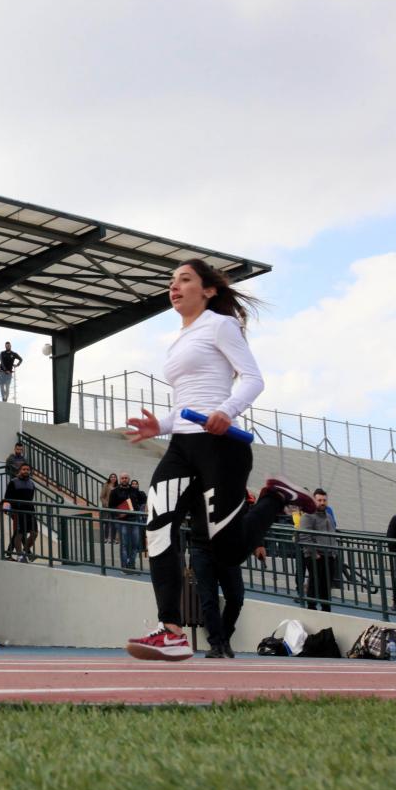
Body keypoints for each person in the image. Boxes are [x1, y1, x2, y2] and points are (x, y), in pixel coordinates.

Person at [123, 258, 315, 661]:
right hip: (182, 445)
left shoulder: (221, 325)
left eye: (185, 280)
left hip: (222, 446)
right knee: (157, 525)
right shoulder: (178, 339)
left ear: (208, 290)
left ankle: (276, 498)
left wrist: (226, 410)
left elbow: (253, 378)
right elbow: (187, 404)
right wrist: (159, 424)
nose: (174, 286)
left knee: (227, 551)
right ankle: (171, 630)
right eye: (171, 280)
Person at [299, 489, 338, 612]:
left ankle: (326, 608)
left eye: (324, 500)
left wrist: (334, 552)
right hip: (316, 555)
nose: (322, 502)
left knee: (326, 584)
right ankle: (311, 608)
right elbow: (304, 536)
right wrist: (314, 553)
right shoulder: (307, 516)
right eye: (319, 500)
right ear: (314, 500)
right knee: (315, 583)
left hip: (330, 555)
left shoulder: (329, 516)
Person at [108, 472, 146, 572]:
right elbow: (110, 506)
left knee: (135, 544)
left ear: (128, 479)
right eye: (122, 478)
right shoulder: (115, 491)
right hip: (122, 521)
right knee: (124, 544)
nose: (124, 479)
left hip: (134, 519)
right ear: (120, 480)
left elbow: (143, 500)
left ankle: (131, 565)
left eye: (126, 478)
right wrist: (119, 513)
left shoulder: (134, 490)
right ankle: (124, 567)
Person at [2, 461, 38, 562]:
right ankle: (19, 555)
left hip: (30, 511)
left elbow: (30, 498)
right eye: (24, 469)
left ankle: (25, 552)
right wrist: (8, 509)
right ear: (19, 471)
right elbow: (7, 497)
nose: (26, 471)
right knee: (19, 533)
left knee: (34, 533)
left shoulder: (32, 483)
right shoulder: (13, 482)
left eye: (27, 470)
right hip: (17, 511)